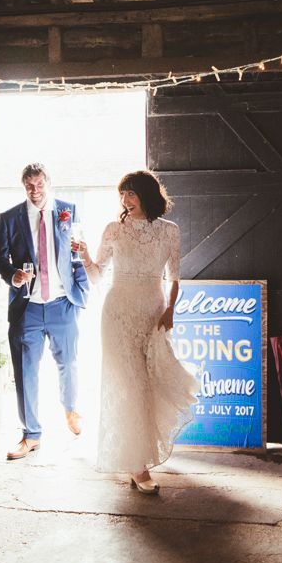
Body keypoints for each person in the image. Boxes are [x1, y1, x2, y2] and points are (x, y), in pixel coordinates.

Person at [73, 170, 198, 494]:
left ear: (146, 195)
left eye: (131, 193)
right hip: (118, 315)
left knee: (147, 385)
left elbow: (174, 278)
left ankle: (138, 457)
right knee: (127, 385)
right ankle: (137, 467)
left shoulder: (169, 231)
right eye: (122, 195)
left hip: (152, 314)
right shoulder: (114, 230)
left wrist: (170, 310)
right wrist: (85, 255)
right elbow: (99, 275)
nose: (125, 201)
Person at [0, 163, 89, 460]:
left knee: (69, 363)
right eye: (29, 187)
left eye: (39, 185)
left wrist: (81, 292)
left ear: (48, 183)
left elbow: (76, 255)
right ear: (24, 187)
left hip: (62, 303)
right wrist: (14, 275)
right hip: (28, 307)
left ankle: (71, 408)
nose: (35, 192)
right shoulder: (9, 218)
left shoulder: (68, 211)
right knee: (25, 373)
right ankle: (31, 434)